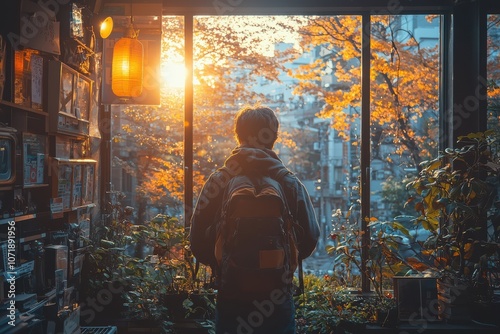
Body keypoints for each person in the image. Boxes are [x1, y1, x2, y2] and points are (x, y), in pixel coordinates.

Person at [189, 104, 320, 334]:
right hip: (276, 297)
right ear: (273, 137)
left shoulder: (219, 180)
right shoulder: (289, 182)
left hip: (232, 295)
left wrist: (228, 262)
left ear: (238, 136)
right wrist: (277, 260)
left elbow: (197, 242)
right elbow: (310, 237)